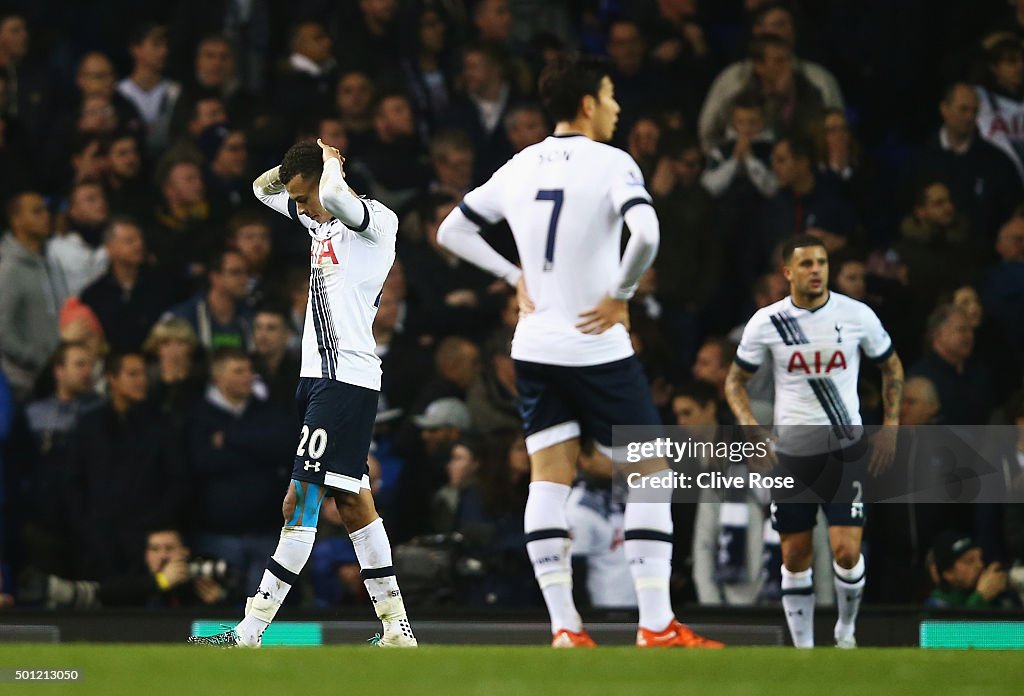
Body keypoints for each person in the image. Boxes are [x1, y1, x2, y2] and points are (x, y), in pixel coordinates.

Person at [437, 54, 720, 648]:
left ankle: (566, 628)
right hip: (596, 345)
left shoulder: (519, 164)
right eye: (612, 96)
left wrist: (513, 274)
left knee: (549, 480)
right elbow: (646, 233)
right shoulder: (613, 163)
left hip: (534, 347)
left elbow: (451, 231)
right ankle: (655, 626)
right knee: (650, 475)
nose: (618, 108)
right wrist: (621, 295)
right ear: (589, 103)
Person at [189, 138, 416, 647]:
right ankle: (396, 629)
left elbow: (334, 197)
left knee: (300, 501)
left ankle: (249, 632)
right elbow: (259, 187)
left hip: (344, 380)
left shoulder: (376, 221)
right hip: (318, 381)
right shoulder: (318, 219)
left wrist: (330, 164)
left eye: (305, 197)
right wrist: (297, 170)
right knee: (356, 502)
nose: (302, 208)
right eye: (297, 202)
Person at [725, 234, 905, 648]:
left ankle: (846, 630)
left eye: (821, 263)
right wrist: (751, 426)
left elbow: (891, 367)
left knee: (845, 551)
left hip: (845, 449)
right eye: (806, 264)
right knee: (794, 555)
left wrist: (892, 426)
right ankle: (803, 648)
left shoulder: (856, 315)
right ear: (787, 272)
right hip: (791, 454)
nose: (816, 271)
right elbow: (735, 380)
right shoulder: (767, 322)